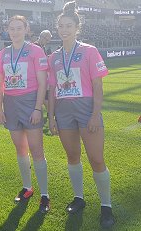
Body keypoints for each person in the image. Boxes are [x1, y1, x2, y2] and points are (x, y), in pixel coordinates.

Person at [47, 1, 114, 228]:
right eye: (61, 26)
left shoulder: (89, 51)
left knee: (96, 159)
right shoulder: (54, 57)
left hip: (86, 110)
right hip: (64, 112)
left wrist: (95, 114)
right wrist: (51, 116)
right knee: (72, 157)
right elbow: (52, 90)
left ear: (77, 28)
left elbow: (97, 86)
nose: (64, 30)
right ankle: (79, 198)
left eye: (69, 26)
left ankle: (106, 206)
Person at [0, 15, 50, 213]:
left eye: (19, 28)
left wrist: (37, 108)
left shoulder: (35, 50)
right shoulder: (2, 53)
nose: (15, 32)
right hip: (11, 104)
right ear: (8, 30)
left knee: (37, 151)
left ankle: (45, 195)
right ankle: (28, 188)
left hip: (30, 103)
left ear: (26, 29)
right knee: (20, 149)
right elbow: (0, 83)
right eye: (12, 28)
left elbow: (43, 83)